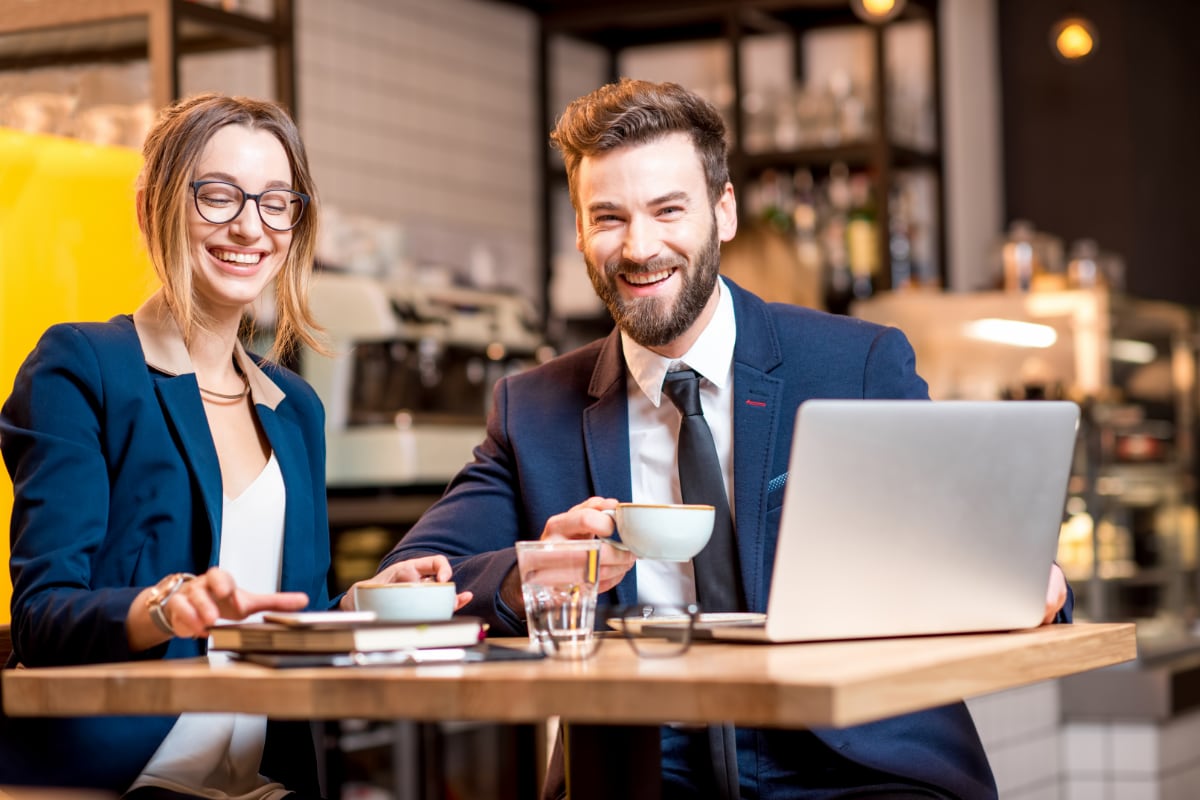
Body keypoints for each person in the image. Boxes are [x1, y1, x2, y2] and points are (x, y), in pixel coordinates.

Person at [380, 79, 1071, 798]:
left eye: (668, 209)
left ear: (724, 211)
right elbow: (409, 582)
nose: (640, 247)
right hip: (646, 765)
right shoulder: (533, 408)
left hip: (857, 761)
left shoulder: (855, 364)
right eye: (608, 217)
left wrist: (1027, 580)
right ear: (580, 233)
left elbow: (980, 548)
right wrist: (532, 573)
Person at [0, 93, 469, 795]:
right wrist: (163, 609)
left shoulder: (293, 407)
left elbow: (287, 622)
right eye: (217, 196)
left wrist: (359, 605)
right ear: (153, 207)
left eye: (276, 203)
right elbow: (42, 617)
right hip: (121, 778)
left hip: (254, 778)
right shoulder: (83, 367)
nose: (250, 227)